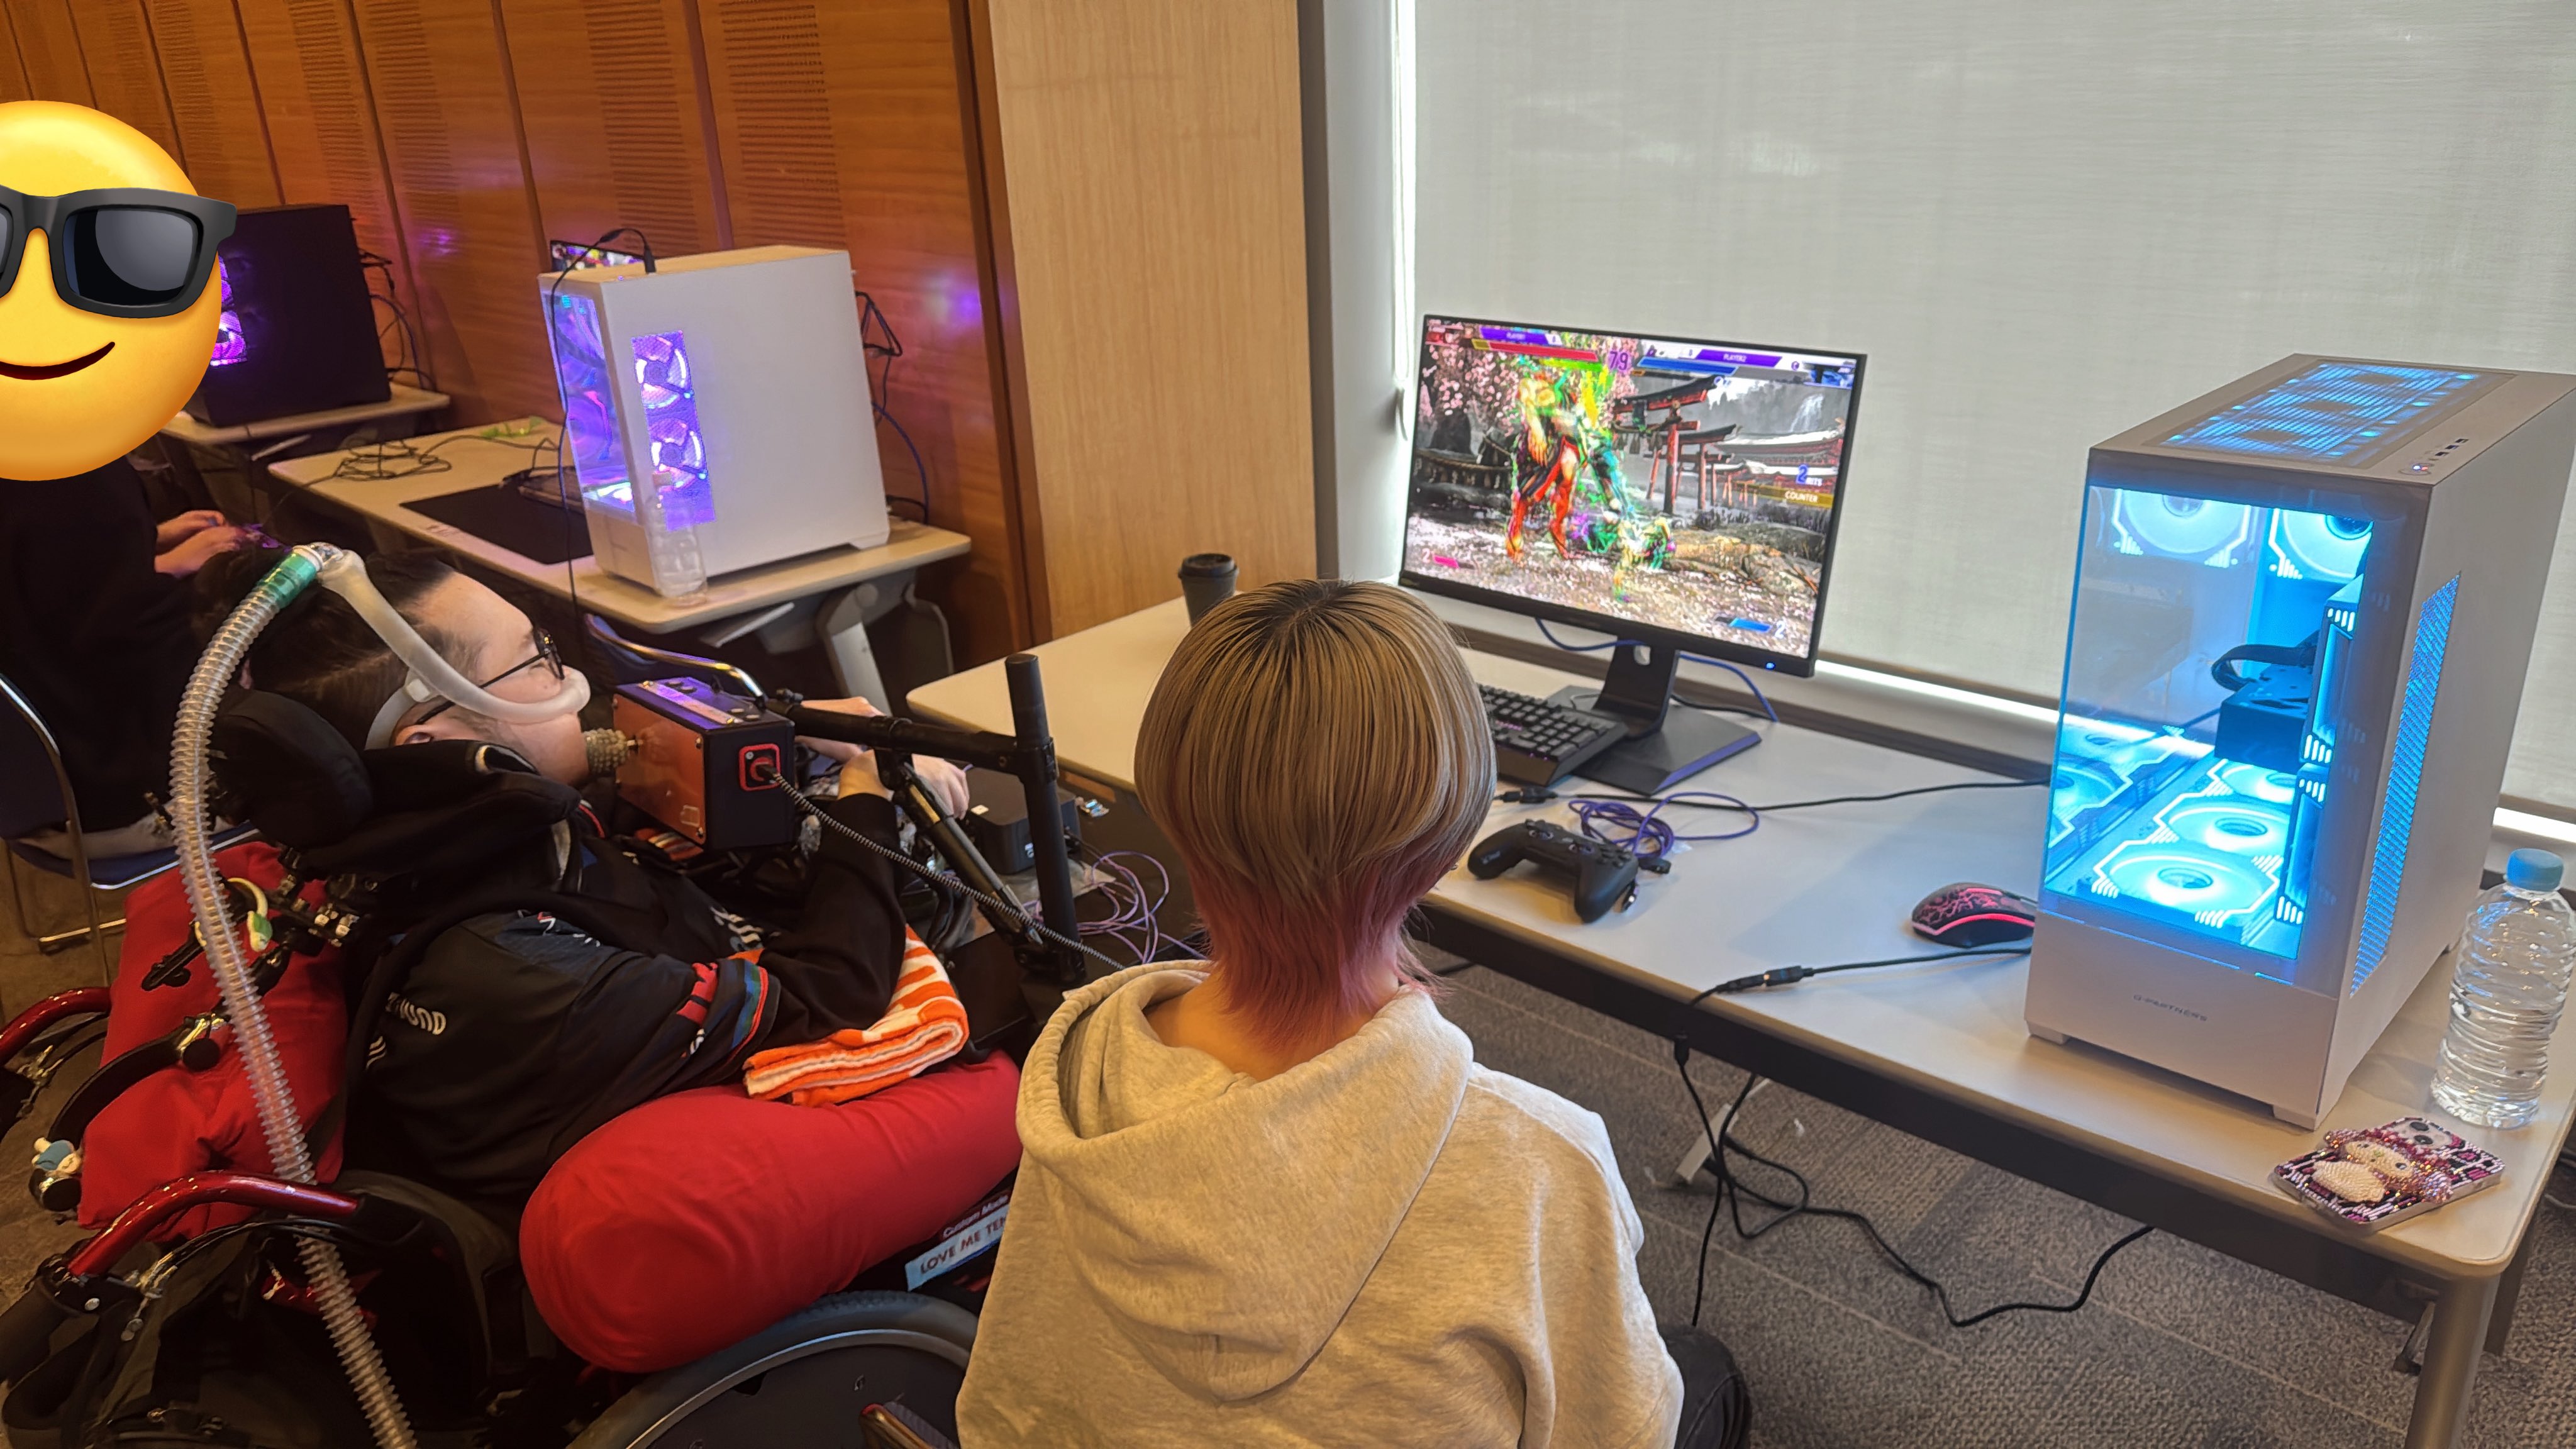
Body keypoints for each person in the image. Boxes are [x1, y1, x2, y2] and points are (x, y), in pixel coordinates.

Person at [150, 542, 1020, 1370]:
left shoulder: (441, 838)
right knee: (1037, 1031)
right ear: (434, 740)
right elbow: (832, 991)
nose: (571, 685)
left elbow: (616, 791)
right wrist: (864, 801)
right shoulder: (514, 973)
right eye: (535, 661)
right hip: (639, 1178)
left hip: (589, 1060)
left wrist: (775, 738)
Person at [957, 579, 1745, 1447]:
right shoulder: (1544, 1171)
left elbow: (1001, 1413)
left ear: (1173, 814)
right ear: (1448, 843)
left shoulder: (1078, 1072)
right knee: (1702, 1372)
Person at [0, 456, 250, 856]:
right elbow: (118, 627)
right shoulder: (71, 465)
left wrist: (140, 545)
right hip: (131, 809)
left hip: (25, 801)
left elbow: (48, 575)